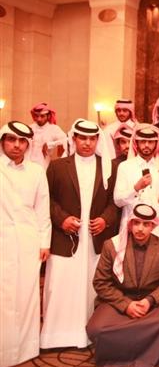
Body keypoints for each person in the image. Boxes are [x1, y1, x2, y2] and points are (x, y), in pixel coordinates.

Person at [41, 119, 118, 349]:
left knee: (93, 285)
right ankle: (56, 337)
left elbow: (115, 203)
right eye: (82, 138)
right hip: (65, 238)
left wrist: (105, 220)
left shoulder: (109, 167)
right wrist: (62, 219)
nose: (87, 143)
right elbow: (47, 199)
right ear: (74, 139)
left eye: (92, 138)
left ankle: (90, 334)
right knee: (60, 285)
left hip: (95, 239)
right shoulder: (57, 166)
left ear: (97, 140)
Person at [86, 204, 159, 367]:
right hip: (119, 298)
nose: (140, 228)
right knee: (97, 327)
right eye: (136, 223)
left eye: (146, 224)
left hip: (152, 300)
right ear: (130, 224)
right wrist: (126, 305)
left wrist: (150, 300)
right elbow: (101, 283)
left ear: (153, 226)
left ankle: (151, 356)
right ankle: (118, 357)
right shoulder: (112, 246)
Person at [0, 121, 51, 367]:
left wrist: (44, 242)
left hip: (29, 240)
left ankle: (25, 349)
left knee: (27, 293)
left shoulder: (36, 172)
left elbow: (42, 209)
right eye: (11, 140)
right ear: (2, 142)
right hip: (2, 240)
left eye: (22, 141)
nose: (17, 145)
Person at [113, 124, 159, 239]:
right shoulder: (125, 167)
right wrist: (136, 188)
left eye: (150, 142)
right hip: (133, 227)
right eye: (143, 141)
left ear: (156, 143)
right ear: (136, 143)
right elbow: (118, 201)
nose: (146, 145)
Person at [29, 102, 67, 168]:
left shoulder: (53, 128)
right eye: (37, 116)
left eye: (42, 116)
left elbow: (66, 140)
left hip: (44, 166)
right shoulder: (30, 127)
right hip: (29, 164)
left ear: (48, 116)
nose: (39, 119)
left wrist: (49, 144)